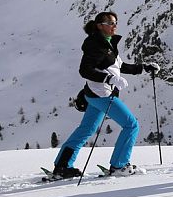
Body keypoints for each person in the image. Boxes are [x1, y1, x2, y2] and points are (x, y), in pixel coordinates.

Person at [51, 11, 159, 178]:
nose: (114, 26)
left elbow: (119, 66)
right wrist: (109, 79)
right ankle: (119, 166)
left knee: (86, 129)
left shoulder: (107, 43)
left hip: (93, 95)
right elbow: (85, 70)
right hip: (102, 94)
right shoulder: (96, 45)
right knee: (131, 125)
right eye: (110, 23)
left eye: (115, 23)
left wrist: (144, 67)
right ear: (100, 26)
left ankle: (62, 166)